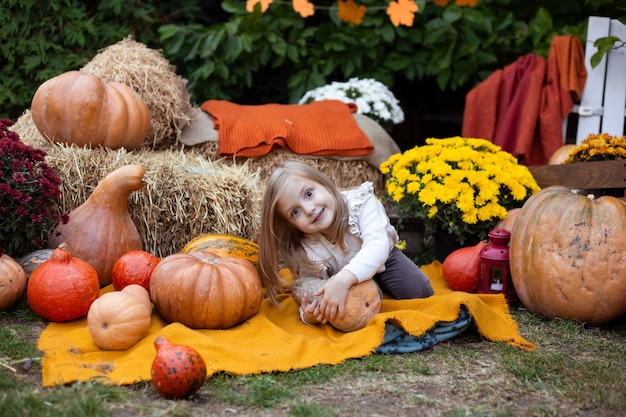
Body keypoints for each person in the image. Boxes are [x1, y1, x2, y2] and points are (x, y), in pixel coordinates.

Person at [258, 160, 434, 326]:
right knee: (346, 313)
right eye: (295, 212)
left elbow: (377, 246)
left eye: (309, 194)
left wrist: (342, 280)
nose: (309, 209)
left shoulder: (360, 203)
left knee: (420, 291)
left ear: (324, 183)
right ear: (291, 225)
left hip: (384, 261)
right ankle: (374, 292)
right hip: (340, 278)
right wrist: (309, 316)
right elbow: (314, 289)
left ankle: (380, 286)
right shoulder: (308, 247)